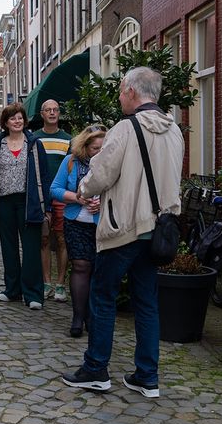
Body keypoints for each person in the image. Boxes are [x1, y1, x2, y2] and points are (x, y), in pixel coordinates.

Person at [61, 67, 184, 399]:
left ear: (131, 91)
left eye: (120, 91)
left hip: (124, 227)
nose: (118, 96)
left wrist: (85, 188)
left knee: (103, 297)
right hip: (159, 229)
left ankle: (96, 369)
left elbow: (100, 174)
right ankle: (147, 374)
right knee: (147, 302)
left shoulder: (124, 129)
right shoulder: (175, 131)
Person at [0, 103, 49, 310]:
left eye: (20, 118)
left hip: (27, 201)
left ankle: (33, 293)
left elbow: (44, 176)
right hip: (4, 202)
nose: (17, 121)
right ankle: (12, 289)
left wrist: (45, 206)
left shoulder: (34, 144)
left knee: (31, 248)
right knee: (8, 247)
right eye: (13, 118)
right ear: (5, 122)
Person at [51, 125, 106, 337]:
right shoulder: (71, 162)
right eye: (94, 148)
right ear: (85, 147)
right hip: (75, 222)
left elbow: (121, 193)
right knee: (81, 265)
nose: (99, 153)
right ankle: (78, 316)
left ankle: (92, 317)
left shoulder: (112, 165)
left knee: (97, 269)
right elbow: (54, 189)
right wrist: (76, 198)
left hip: (102, 225)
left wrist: (103, 204)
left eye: (103, 148)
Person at [34, 99, 72, 302]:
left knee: (62, 238)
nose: (52, 113)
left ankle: (61, 284)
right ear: (42, 114)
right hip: (41, 195)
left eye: (55, 109)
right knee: (44, 239)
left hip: (62, 195)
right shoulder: (34, 139)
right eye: (48, 110)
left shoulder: (68, 140)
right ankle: (46, 282)